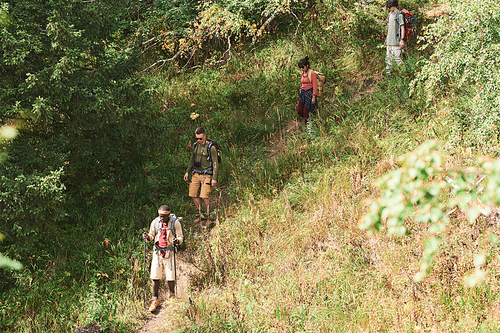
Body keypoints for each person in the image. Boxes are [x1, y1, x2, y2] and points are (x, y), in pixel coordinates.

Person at [142, 205, 183, 312]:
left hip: (169, 251)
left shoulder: (175, 223)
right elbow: (151, 235)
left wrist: (177, 241)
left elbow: (180, 237)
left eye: (163, 216)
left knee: (171, 276)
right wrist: (147, 237)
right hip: (157, 252)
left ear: (168, 215)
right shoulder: (155, 222)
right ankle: (155, 299)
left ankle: (172, 296)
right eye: (160, 216)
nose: (161, 218)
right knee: (155, 276)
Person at [183, 127, 219, 225]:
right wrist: (187, 171)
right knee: (193, 194)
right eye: (197, 138)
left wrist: (214, 178)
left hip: (206, 174)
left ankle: (208, 217)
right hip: (196, 173)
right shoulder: (195, 146)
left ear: (204, 136)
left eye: (200, 139)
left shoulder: (210, 148)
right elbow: (192, 159)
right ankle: (200, 213)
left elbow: (215, 163)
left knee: (204, 196)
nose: (199, 140)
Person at [297, 56, 318, 126]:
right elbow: (301, 83)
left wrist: (314, 96)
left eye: (303, 67)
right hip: (303, 93)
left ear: (307, 65)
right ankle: (311, 120)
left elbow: (315, 85)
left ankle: (308, 127)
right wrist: (300, 91)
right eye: (300, 67)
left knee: (306, 112)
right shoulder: (302, 72)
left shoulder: (312, 73)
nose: (302, 69)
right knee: (299, 111)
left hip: (309, 93)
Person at [385, 0, 405, 75]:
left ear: (393, 5)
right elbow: (389, 28)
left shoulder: (399, 15)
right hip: (389, 42)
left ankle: (406, 72)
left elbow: (402, 28)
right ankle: (388, 76)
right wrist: (386, 39)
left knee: (397, 59)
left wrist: (402, 40)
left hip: (396, 42)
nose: (388, 9)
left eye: (389, 7)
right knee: (388, 59)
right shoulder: (390, 15)